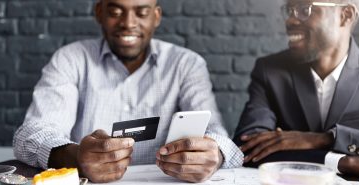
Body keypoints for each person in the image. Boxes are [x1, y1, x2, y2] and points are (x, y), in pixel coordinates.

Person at [13, 0, 243, 183]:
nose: (128, 23)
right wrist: (75, 157)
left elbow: (219, 136)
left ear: (156, 16)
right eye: (115, 12)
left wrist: (214, 153)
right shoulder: (70, 59)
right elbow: (30, 135)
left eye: (142, 13)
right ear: (99, 12)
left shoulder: (186, 64)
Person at [234, 0, 359, 178]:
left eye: (305, 9)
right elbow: (249, 149)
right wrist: (348, 163)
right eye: (290, 10)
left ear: (345, 15)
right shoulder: (269, 71)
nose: (290, 20)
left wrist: (321, 139)